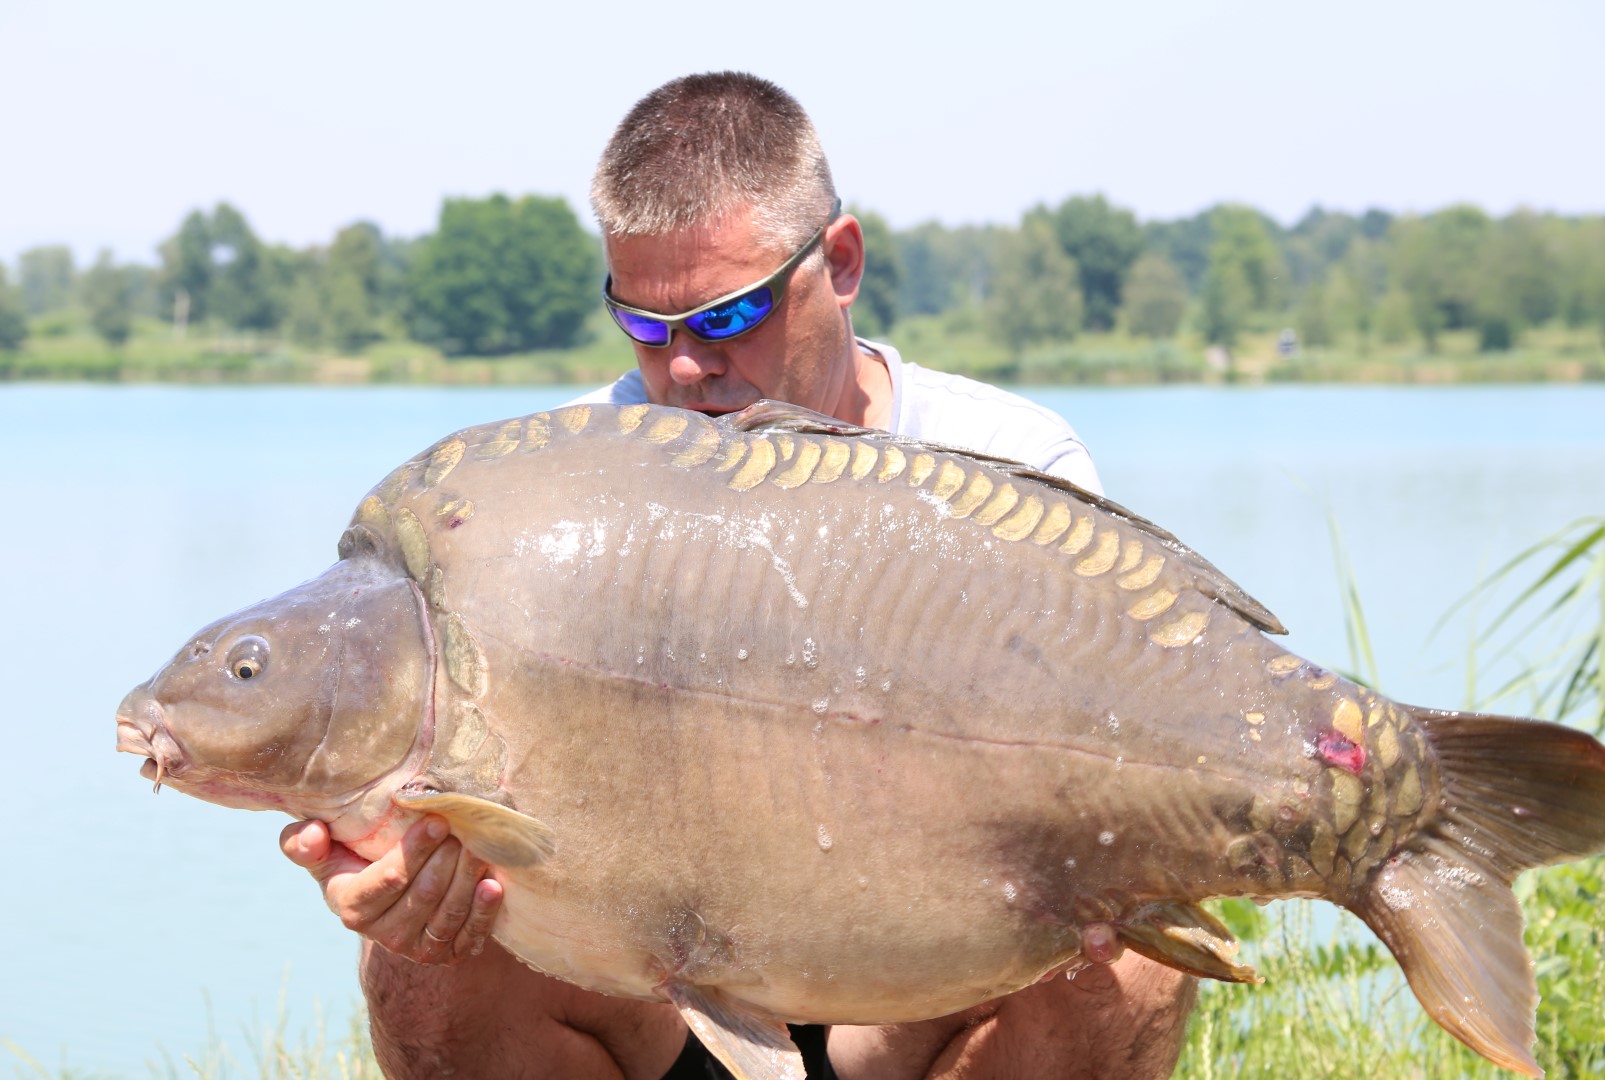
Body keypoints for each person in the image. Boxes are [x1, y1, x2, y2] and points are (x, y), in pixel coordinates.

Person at [280, 72, 1196, 1079]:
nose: (681, 370)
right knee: (422, 960)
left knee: (1127, 968)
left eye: (726, 320)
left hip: (912, 982)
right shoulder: (565, 497)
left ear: (839, 263)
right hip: (660, 983)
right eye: (644, 325)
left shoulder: (1005, 464)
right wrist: (403, 869)